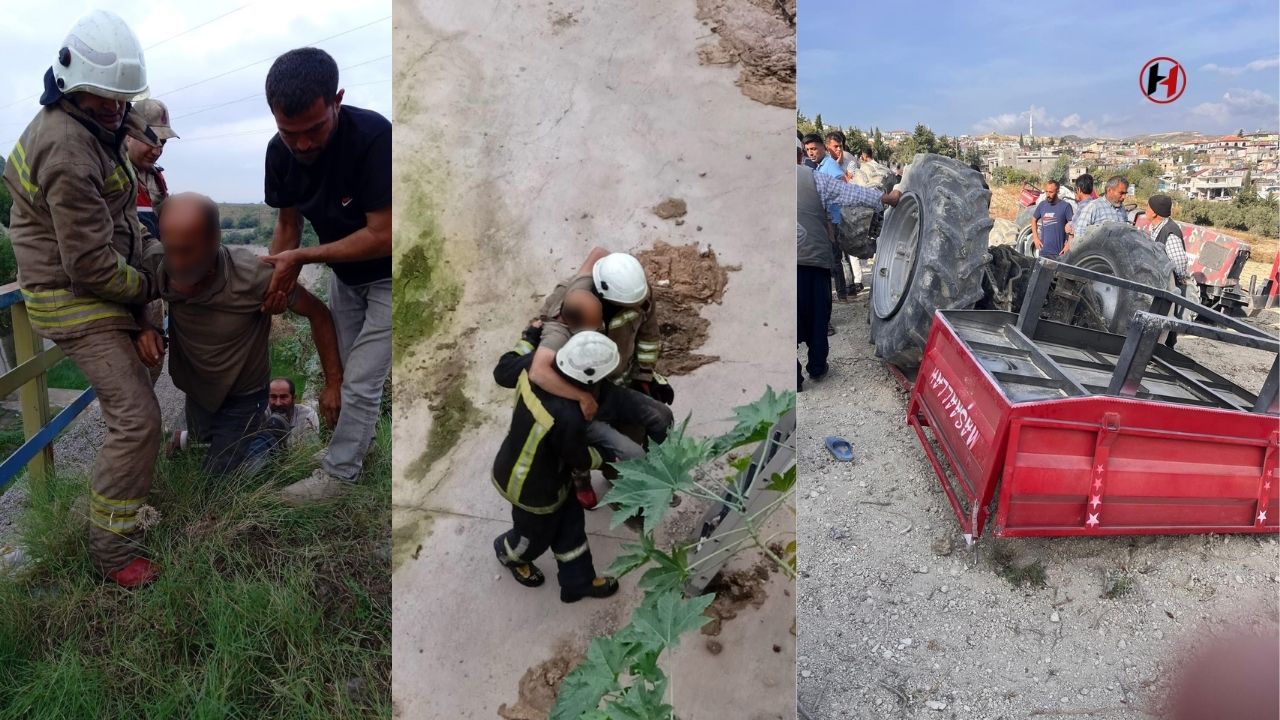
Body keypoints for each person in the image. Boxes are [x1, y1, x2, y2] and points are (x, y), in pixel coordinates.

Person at [2, 10, 163, 587]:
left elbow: (122, 223)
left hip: (105, 284)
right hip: (73, 296)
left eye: (122, 102)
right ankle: (112, 552)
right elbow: (91, 264)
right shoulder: (67, 149)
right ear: (73, 88)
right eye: (106, 102)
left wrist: (146, 312)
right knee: (138, 418)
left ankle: (138, 490)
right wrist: (148, 290)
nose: (117, 112)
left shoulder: (98, 123)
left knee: (144, 388)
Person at [257, 48, 392, 505]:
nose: (303, 144)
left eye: (314, 129)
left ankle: (337, 479)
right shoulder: (281, 152)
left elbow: (384, 234)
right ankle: (357, 453)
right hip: (346, 278)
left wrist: (303, 257)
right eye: (288, 132)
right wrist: (275, 278)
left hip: (394, 276)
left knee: (360, 380)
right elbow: (288, 224)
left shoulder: (373, 137)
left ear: (337, 99)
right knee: (348, 371)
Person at [137, 193, 342, 476]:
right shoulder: (161, 263)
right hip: (197, 390)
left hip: (245, 394)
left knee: (217, 480)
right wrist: (146, 326)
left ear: (214, 240)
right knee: (201, 452)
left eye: (187, 251)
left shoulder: (254, 276)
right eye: (170, 249)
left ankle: (271, 433)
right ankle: (264, 435)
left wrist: (334, 384)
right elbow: (130, 291)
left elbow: (319, 313)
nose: (177, 263)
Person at [491, 331, 622, 603]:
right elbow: (580, 459)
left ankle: (578, 582)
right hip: (531, 488)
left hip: (543, 476)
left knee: (571, 525)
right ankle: (508, 553)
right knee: (534, 536)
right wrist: (609, 455)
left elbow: (504, 367)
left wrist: (529, 336)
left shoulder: (537, 368)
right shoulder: (568, 416)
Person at [529, 250, 674, 465]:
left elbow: (649, 335)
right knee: (627, 457)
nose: (640, 305)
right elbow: (538, 371)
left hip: (615, 385)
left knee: (661, 418)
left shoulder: (634, 290)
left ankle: (661, 474)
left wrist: (644, 376)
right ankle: (624, 485)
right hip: (581, 395)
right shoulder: (564, 321)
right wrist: (582, 398)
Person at [797, 156, 901, 389]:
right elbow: (852, 194)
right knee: (818, 315)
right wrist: (888, 198)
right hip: (814, 259)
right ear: (798, 155)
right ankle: (816, 367)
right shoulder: (815, 179)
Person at [125, 98, 177, 239]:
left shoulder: (156, 177)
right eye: (151, 140)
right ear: (129, 135)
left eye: (162, 143)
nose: (157, 151)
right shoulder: (113, 175)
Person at [1145, 193, 1191, 349]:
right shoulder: (1159, 228)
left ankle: (1163, 353)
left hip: (1169, 285)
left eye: (1148, 207)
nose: (1146, 209)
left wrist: (1179, 279)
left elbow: (1179, 260)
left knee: (1166, 324)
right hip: (1161, 283)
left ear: (1155, 212)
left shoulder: (1169, 231)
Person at [269, 377, 322, 445]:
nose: (278, 403)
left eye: (283, 397)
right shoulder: (261, 415)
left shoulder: (307, 416)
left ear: (294, 398)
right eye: (273, 397)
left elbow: (311, 451)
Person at [1030, 180, 1074, 259]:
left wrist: (1068, 245)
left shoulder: (1065, 206)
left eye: (1051, 192)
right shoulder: (1042, 205)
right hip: (1043, 252)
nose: (1048, 195)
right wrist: (1035, 238)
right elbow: (1033, 220)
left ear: (1057, 191)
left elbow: (1073, 226)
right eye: (1046, 192)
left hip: (1059, 253)